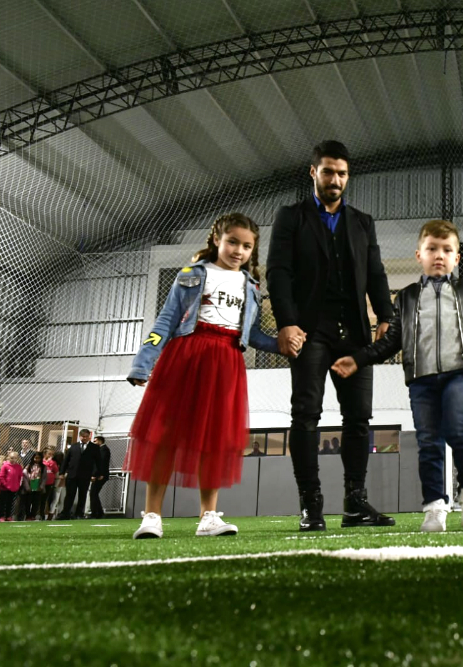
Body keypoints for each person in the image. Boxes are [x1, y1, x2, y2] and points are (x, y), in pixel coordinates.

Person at [126, 213, 303, 540]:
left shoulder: (251, 286)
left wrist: (283, 344)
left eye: (247, 246)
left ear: (253, 250)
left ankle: (208, 517)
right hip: (186, 357)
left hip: (226, 362)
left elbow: (251, 335)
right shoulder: (192, 275)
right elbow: (165, 322)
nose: (239, 250)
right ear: (216, 240)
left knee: (215, 439)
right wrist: (143, 363)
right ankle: (152, 516)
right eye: (232, 242)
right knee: (165, 433)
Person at [332, 219, 463, 532]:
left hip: (460, 374)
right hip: (422, 381)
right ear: (419, 255)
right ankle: (434, 508)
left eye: (446, 250)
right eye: (431, 249)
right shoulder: (407, 297)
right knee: (429, 442)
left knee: (458, 431)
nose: (439, 255)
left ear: (457, 257)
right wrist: (358, 360)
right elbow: (390, 342)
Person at [267, 140, 396, 532]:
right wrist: (287, 322)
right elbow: (278, 273)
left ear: (347, 176)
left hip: (354, 332)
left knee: (358, 418)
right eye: (328, 172)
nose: (335, 179)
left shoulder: (362, 222)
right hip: (308, 331)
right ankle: (311, 504)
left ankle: (355, 503)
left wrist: (385, 315)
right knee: (305, 415)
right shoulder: (290, 217)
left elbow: (375, 273)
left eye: (341, 173)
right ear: (313, 173)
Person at [59, 429, 99, 520]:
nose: (84, 438)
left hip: (85, 475)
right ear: (80, 436)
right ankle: (65, 513)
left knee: (82, 495)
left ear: (89, 437)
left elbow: (97, 462)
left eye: (86, 436)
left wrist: (94, 474)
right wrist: (62, 472)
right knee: (69, 495)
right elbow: (66, 460)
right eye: (82, 436)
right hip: (72, 474)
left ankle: (79, 513)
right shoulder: (73, 446)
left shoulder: (94, 448)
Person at [0, 451, 23, 522]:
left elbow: (20, 477)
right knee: (3, 502)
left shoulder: (18, 467)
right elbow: (1, 476)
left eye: (15, 458)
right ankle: (1, 516)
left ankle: (8, 516)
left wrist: (18, 485)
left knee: (10, 503)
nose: (13, 460)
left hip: (14, 488)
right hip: (5, 488)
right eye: (12, 458)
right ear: (9, 458)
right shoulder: (5, 466)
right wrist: (5, 484)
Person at [88, 436, 110, 519]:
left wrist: (96, 474)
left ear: (100, 441)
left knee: (93, 493)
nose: (94, 443)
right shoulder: (102, 450)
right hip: (100, 475)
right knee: (94, 493)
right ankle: (98, 512)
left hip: (100, 476)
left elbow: (101, 463)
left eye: (95, 441)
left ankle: (95, 513)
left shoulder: (103, 450)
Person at [22, 451, 47, 521]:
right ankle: (28, 515)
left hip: (38, 487)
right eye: (35, 458)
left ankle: (33, 515)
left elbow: (44, 477)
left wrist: (41, 486)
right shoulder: (29, 466)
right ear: (33, 458)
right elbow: (25, 476)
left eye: (38, 458)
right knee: (28, 502)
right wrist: (27, 487)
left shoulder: (43, 467)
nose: (37, 460)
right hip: (30, 487)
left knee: (36, 502)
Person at [41, 448, 59, 520]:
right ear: (45, 454)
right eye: (49, 454)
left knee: (46, 499)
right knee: (40, 499)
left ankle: (45, 515)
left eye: (52, 454)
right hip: (41, 483)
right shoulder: (42, 461)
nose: (51, 456)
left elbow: (56, 472)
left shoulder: (53, 463)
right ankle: (38, 514)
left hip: (49, 484)